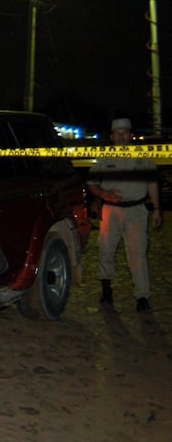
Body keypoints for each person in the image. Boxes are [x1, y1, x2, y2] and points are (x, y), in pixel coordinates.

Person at [87, 117, 163, 312]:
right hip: (111, 210)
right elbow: (92, 183)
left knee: (138, 254)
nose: (121, 136)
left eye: (125, 132)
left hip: (136, 210)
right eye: (117, 133)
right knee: (106, 250)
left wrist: (157, 209)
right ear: (112, 137)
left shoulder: (143, 156)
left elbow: (152, 183)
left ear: (130, 135)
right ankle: (106, 289)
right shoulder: (104, 157)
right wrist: (104, 194)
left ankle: (142, 296)